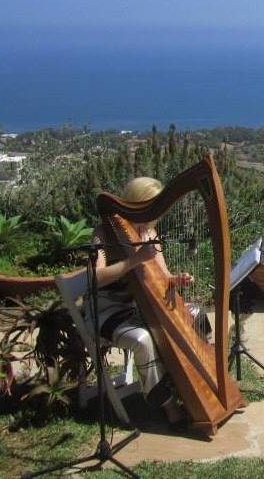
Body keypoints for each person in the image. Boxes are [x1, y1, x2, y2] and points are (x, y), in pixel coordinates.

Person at [88, 176, 194, 426]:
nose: (151, 216)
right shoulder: (103, 233)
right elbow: (94, 278)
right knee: (143, 338)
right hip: (105, 310)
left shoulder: (149, 232)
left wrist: (177, 279)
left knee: (194, 313)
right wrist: (134, 260)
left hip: (136, 309)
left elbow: (164, 276)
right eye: (147, 207)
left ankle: (185, 385)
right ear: (134, 203)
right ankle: (167, 405)